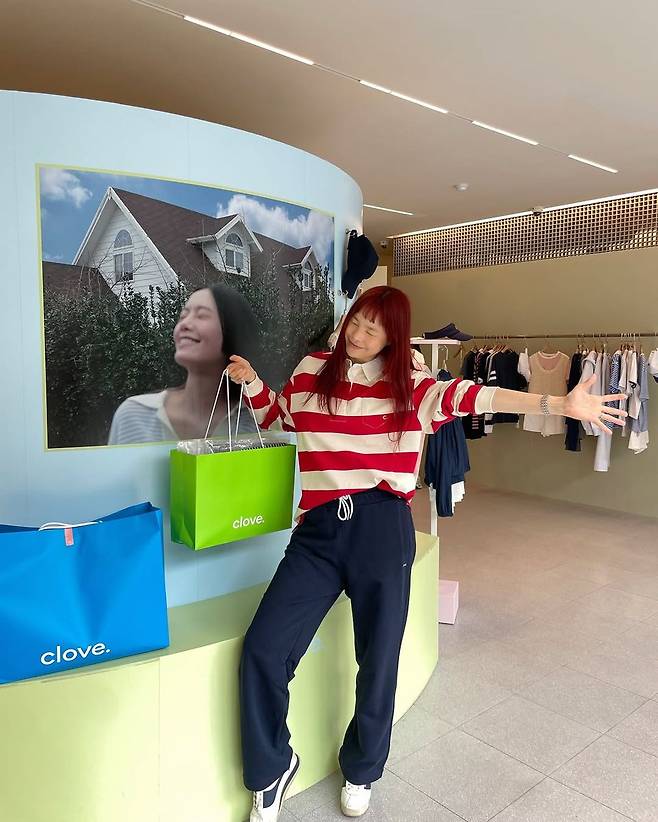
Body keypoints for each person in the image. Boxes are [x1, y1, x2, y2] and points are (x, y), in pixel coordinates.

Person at [226, 286, 625, 821]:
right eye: (355, 322)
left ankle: (363, 768)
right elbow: (283, 420)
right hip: (317, 533)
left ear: (393, 337)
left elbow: (482, 397)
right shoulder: (310, 370)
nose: (358, 335)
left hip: (382, 529)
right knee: (263, 648)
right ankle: (272, 768)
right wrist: (253, 383)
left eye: (374, 329)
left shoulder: (412, 386)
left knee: (379, 659)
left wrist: (556, 404)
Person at [108, 284, 261, 445]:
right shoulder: (133, 415)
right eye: (182, 316)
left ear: (233, 331)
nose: (184, 325)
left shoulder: (258, 421)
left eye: (201, 316)